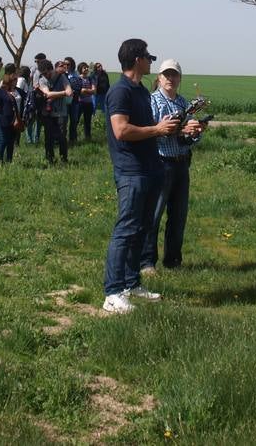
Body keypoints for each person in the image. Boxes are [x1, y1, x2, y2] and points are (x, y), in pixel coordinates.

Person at [101, 38, 181, 315]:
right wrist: (158, 130)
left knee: (139, 230)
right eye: (149, 57)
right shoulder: (119, 92)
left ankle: (132, 283)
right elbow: (121, 130)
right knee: (125, 231)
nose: (151, 61)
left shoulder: (140, 91)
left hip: (150, 169)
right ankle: (112, 293)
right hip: (131, 172)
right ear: (137, 59)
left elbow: (149, 127)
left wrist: (174, 128)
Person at [141, 59, 205, 273]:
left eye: (174, 75)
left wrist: (195, 132)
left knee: (178, 215)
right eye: (166, 74)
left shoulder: (183, 103)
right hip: (160, 163)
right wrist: (179, 130)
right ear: (159, 78)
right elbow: (151, 133)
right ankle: (147, 262)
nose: (170, 78)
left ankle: (173, 261)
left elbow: (186, 139)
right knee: (154, 214)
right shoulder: (152, 101)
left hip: (181, 163)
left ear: (180, 78)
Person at [36, 58, 72, 163]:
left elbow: (70, 91)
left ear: (51, 69)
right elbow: (47, 94)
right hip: (48, 113)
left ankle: (63, 159)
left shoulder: (62, 77)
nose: (45, 75)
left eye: (46, 73)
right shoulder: (42, 79)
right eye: (43, 73)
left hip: (61, 113)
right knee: (49, 138)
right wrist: (63, 93)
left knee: (62, 137)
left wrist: (55, 94)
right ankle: (50, 159)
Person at [0, 63, 21, 164]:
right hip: (4, 119)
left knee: (11, 142)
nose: (16, 81)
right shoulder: (1, 92)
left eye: (16, 80)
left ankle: (9, 160)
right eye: (14, 80)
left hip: (14, 119)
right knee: (4, 140)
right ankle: (0, 160)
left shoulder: (17, 91)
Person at [76, 61, 97, 141]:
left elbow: (94, 91)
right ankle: (74, 137)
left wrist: (85, 90)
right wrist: (89, 90)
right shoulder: (78, 79)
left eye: (87, 67)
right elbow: (79, 91)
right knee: (76, 121)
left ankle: (88, 137)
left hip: (89, 103)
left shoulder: (90, 78)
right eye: (84, 68)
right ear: (80, 69)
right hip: (80, 102)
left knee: (87, 122)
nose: (86, 69)